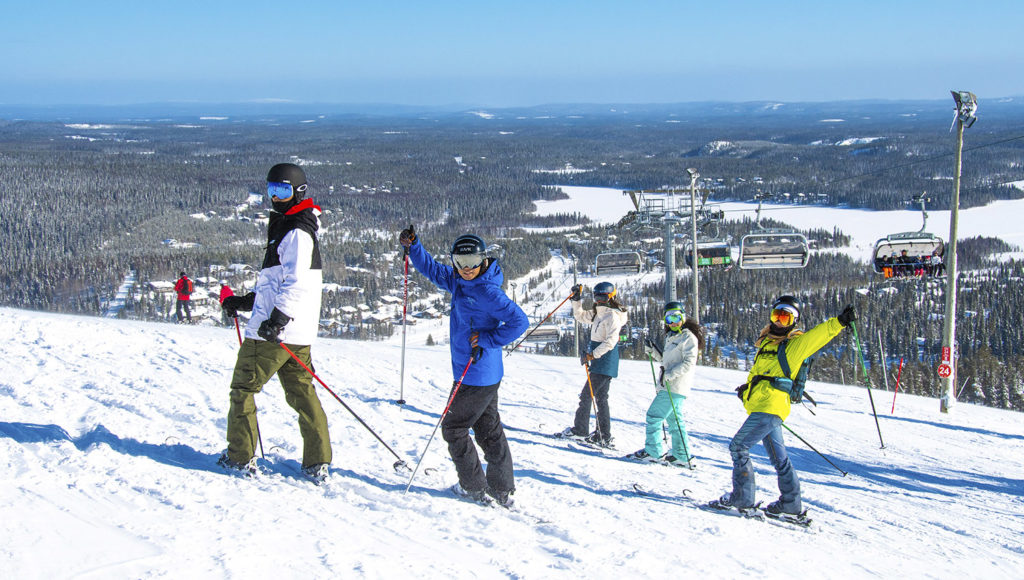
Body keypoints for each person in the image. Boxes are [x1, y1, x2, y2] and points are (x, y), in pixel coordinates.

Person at [399, 225, 529, 507]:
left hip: (476, 373)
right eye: (459, 262)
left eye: (471, 263)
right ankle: (501, 488)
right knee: (488, 428)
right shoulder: (459, 281)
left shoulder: (488, 292)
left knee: (454, 428)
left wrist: (487, 339)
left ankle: (472, 487)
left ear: (483, 260)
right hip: (482, 372)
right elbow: (432, 270)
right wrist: (414, 247)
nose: (466, 268)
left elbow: (521, 322)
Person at [218, 163, 332, 483]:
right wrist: (244, 302)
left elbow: (296, 283)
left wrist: (276, 319)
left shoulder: (296, 230)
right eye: (271, 190)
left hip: (274, 333)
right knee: (302, 394)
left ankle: (240, 457)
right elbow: (276, 282)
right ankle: (317, 460)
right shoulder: (294, 225)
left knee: (243, 388)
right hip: (298, 330)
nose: (276, 198)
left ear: (299, 192)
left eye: (282, 191)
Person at [709, 295, 856, 523]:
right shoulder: (766, 343)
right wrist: (747, 389)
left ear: (794, 321)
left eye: (785, 317)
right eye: (776, 315)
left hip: (771, 407)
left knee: (738, 447)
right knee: (781, 459)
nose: (779, 321)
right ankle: (790, 504)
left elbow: (818, 336)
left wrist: (839, 322)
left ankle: (742, 498)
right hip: (764, 406)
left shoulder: (795, 345)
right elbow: (761, 373)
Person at [629, 301, 704, 469]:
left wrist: (669, 375)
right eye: (669, 319)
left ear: (683, 317)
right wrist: (653, 352)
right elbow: (666, 361)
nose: (673, 322)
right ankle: (681, 456)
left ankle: (654, 452)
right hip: (668, 385)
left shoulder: (688, 337)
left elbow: (689, 363)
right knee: (675, 421)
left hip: (675, 386)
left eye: (676, 317)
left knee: (654, 416)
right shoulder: (672, 337)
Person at [560, 281, 628, 448]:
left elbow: (611, 341)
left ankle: (580, 430)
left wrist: (593, 355)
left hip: (605, 360)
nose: (599, 300)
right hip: (600, 359)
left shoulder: (612, 316)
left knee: (586, 395)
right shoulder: (599, 312)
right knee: (601, 398)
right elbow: (580, 316)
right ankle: (603, 434)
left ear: (611, 296)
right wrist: (577, 299)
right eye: (596, 296)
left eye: (603, 297)